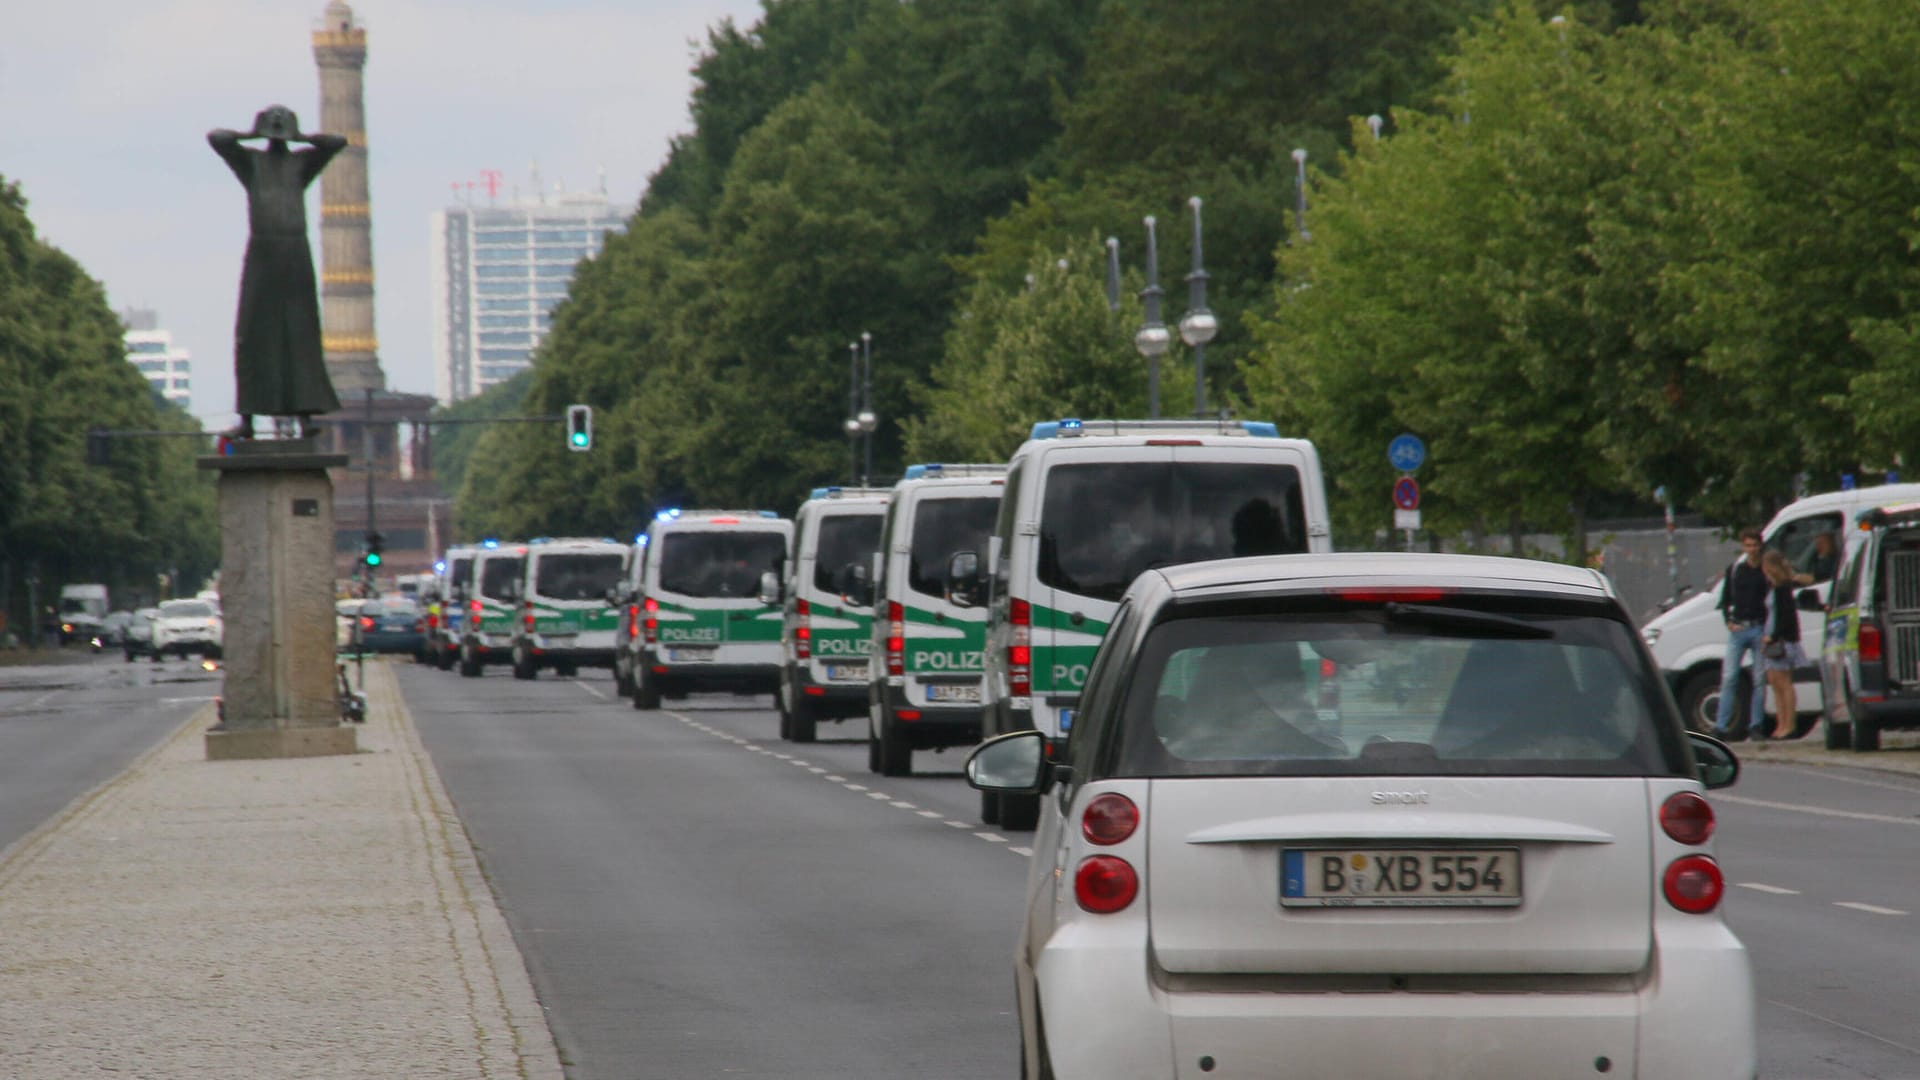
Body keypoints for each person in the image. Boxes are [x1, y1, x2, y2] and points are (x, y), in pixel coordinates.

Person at [208, 105, 346, 439]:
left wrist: (300, 137)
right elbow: (217, 138)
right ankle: (248, 418)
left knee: (301, 335)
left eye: (282, 127)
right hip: (263, 253)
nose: (277, 133)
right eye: (274, 127)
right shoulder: (252, 163)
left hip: (295, 252)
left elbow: (336, 142)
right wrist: (252, 133)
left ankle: (306, 416)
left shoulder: (300, 165)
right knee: (252, 334)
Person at [1714, 527, 1771, 740]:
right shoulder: (1736, 569)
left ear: (1760, 545)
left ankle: (1756, 725)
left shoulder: (1765, 570)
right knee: (1729, 677)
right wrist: (1728, 621)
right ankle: (1721, 726)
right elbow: (1725, 599)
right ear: (1743, 547)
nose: (1752, 549)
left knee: (1758, 679)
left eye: (1755, 545)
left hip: (1758, 627)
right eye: (1748, 545)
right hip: (1739, 628)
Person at [1757, 550, 1805, 741]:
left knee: (1784, 682)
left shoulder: (1782, 589)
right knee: (1775, 682)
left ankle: (1789, 724)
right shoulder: (1773, 588)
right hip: (1772, 638)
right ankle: (1780, 723)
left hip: (1781, 640)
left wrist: (1774, 636)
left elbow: (1785, 617)